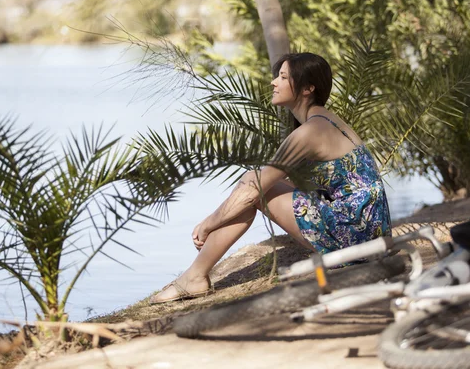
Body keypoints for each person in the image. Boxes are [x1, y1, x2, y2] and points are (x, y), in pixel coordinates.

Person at [150, 52, 391, 304]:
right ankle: (195, 275)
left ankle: (194, 277)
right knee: (256, 180)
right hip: (370, 233)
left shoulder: (309, 132)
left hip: (355, 238)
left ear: (308, 88)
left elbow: (253, 191)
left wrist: (208, 223)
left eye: (283, 77)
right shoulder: (328, 121)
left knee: (253, 182)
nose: (274, 82)